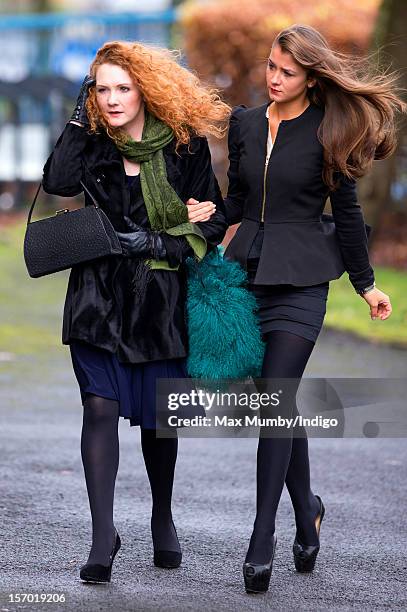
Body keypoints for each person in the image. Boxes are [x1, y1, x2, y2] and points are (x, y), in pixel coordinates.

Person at [187, 24, 405, 594]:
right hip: (250, 274)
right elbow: (236, 201)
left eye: (286, 71)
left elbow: (349, 214)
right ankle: (307, 507)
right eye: (270, 67)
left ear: (311, 77)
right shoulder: (244, 125)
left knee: (275, 399)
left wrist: (366, 284)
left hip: (305, 281)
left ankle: (262, 537)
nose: (273, 78)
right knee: (276, 402)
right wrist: (203, 219)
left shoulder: (329, 131)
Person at [42, 40, 229, 583]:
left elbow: (212, 221)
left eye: (123, 87)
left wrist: (159, 243)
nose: (113, 99)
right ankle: (103, 535)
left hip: (158, 302)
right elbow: (56, 182)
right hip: (96, 301)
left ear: (146, 89)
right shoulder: (93, 145)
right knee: (98, 409)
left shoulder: (185, 147)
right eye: (101, 89)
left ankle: (162, 517)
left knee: (156, 420)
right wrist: (80, 116)